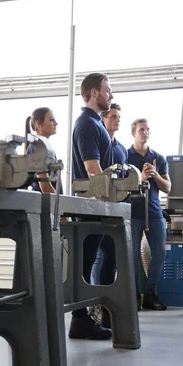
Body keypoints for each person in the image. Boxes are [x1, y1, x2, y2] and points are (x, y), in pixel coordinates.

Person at [69, 72, 114, 340]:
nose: (111, 95)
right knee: (86, 261)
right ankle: (80, 319)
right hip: (92, 204)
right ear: (94, 93)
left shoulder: (95, 123)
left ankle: (99, 313)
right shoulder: (86, 124)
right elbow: (93, 169)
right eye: (108, 90)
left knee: (106, 256)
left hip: (100, 204)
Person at [128, 118, 171, 311]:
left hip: (154, 213)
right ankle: (134, 295)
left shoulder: (158, 158)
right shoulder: (125, 156)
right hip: (133, 212)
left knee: (160, 253)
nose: (145, 132)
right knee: (133, 254)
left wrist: (155, 175)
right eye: (141, 130)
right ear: (133, 133)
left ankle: (150, 293)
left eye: (147, 130)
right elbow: (120, 185)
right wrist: (141, 178)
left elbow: (168, 187)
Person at [91, 103, 126, 287]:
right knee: (96, 254)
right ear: (103, 118)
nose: (117, 120)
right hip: (97, 203)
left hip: (115, 205)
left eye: (118, 117)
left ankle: (105, 297)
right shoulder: (98, 143)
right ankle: (94, 297)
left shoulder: (121, 149)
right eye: (113, 116)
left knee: (112, 254)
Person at [24, 107, 60, 194]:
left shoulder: (45, 147)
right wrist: (62, 205)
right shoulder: (37, 147)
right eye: (51, 120)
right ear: (39, 123)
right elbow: (45, 186)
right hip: (43, 204)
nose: (56, 123)